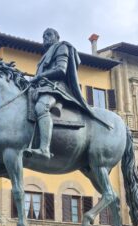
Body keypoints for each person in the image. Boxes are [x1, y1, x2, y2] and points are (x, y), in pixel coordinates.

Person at [28, 28, 110, 159]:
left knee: (41, 107)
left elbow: (61, 70)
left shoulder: (62, 47)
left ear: (57, 37)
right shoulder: (44, 57)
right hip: (43, 88)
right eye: (43, 36)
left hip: (56, 88)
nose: (45, 37)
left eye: (48, 34)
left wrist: (39, 77)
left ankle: (44, 149)